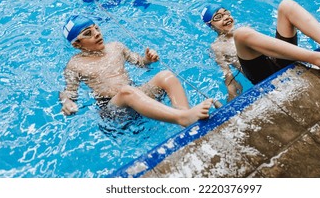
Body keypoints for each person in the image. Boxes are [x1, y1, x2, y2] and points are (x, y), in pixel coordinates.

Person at [60, 15, 212, 127]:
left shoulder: (116, 47)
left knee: (166, 76)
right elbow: (69, 91)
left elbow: (140, 63)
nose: (97, 33)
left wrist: (148, 59)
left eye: (96, 28)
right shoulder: (75, 64)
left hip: (136, 96)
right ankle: (182, 117)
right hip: (113, 110)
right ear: (77, 44)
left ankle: (185, 120)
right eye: (88, 33)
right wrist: (66, 101)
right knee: (127, 91)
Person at [202, 0, 320, 101]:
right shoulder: (217, 46)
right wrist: (232, 92)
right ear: (211, 25)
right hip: (263, 75)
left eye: (226, 13)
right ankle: (319, 59)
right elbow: (226, 73)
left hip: (278, 59)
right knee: (242, 34)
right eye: (218, 17)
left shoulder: (247, 29)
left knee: (287, 6)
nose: (225, 17)